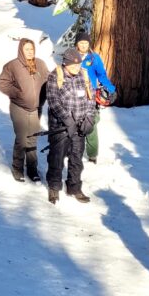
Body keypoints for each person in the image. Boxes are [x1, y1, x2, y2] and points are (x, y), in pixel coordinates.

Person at [45, 48, 97, 205]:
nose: (76, 68)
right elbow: (54, 101)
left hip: (80, 126)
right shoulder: (55, 76)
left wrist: (89, 117)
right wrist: (67, 120)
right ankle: (54, 187)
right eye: (73, 66)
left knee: (76, 158)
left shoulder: (84, 75)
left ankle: (74, 187)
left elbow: (91, 97)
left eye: (78, 65)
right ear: (65, 64)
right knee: (57, 157)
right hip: (60, 126)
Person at [0, 38, 49, 183]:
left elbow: (48, 82)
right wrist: (17, 94)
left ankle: (32, 169)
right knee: (22, 139)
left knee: (32, 139)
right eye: (27, 49)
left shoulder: (40, 64)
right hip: (18, 107)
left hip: (35, 108)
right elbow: (2, 83)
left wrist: (44, 99)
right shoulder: (13, 65)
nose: (30, 52)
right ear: (21, 50)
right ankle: (17, 168)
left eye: (32, 49)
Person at [76, 32, 115, 164]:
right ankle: (74, 150)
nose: (83, 45)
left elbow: (102, 75)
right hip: (73, 96)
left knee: (91, 125)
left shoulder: (94, 58)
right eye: (81, 43)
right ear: (76, 44)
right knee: (74, 124)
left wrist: (111, 89)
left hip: (90, 95)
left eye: (86, 43)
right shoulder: (71, 56)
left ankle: (92, 155)